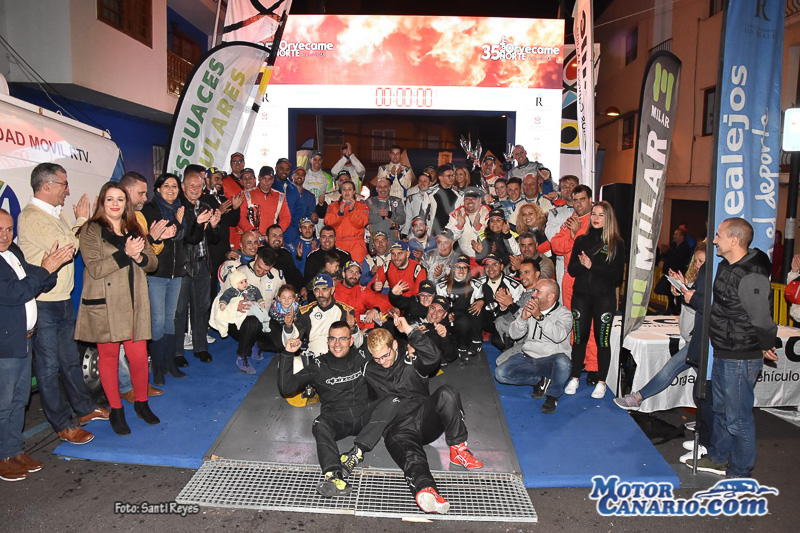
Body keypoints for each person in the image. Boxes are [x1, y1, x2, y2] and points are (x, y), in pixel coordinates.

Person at [16, 163, 109, 445]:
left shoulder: (56, 214)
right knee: (48, 368)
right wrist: (80, 220)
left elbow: (71, 241)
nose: (67, 190)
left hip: (62, 300)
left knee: (69, 361)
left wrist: (76, 223)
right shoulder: (31, 217)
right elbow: (69, 247)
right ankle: (62, 424)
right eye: (63, 184)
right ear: (46, 186)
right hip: (44, 303)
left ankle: (84, 409)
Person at [686, 218, 777, 478]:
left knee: (738, 419)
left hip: (741, 355)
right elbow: (724, 308)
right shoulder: (726, 266)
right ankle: (718, 457)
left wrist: (765, 345)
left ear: (734, 240)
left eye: (718, 236)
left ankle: (740, 472)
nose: (714, 240)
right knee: (721, 411)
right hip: (724, 350)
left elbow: (762, 319)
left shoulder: (751, 275)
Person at [365, 318, 483, 515]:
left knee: (447, 392)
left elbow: (434, 357)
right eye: (377, 359)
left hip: (423, 419)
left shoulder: (411, 359)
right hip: (397, 429)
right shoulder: (369, 369)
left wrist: (411, 332)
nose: (383, 362)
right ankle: (427, 491)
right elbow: (365, 401)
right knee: (413, 458)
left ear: (395, 345)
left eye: (385, 355)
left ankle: (458, 449)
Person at [76, 182, 160, 435]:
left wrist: (139, 257)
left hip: (135, 302)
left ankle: (142, 403)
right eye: (110, 199)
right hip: (107, 304)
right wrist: (125, 253)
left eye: (120, 199)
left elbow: (152, 263)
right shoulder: (90, 229)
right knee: (109, 359)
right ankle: (116, 409)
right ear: (102, 202)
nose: (115, 204)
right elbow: (95, 268)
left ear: (126, 204)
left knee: (139, 358)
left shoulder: (134, 228)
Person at [278, 323, 399, 497]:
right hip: (337, 420)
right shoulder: (319, 365)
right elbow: (286, 388)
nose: (337, 344)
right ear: (327, 341)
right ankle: (333, 475)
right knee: (319, 423)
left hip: (365, 417)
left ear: (351, 341)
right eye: (333, 339)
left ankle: (356, 453)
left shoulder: (363, 356)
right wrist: (287, 353)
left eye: (342, 338)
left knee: (394, 399)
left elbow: (388, 343)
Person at [0, 208, 74, 481]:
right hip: (5, 345)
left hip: (24, 340)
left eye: (9, 229)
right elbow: (15, 292)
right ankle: (3, 457)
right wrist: (45, 270)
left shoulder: (13, 252)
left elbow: (37, 278)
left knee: (20, 400)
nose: (5, 235)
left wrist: (47, 270)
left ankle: (14, 450)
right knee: (4, 404)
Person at [564, 201, 625, 398]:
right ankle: (574, 378)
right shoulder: (581, 240)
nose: (596, 218)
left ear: (608, 218)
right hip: (580, 297)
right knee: (579, 338)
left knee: (602, 340)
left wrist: (592, 266)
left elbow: (616, 275)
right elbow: (572, 269)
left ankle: (602, 382)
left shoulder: (617, 243)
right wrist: (583, 265)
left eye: (601, 215)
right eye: (594, 214)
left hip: (604, 299)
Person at [495, 279, 573, 414]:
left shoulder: (564, 314)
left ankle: (552, 396)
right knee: (500, 374)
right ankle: (540, 381)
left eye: (538, 291)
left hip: (551, 360)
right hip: (529, 357)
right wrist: (522, 319)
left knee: (564, 362)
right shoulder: (530, 307)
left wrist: (539, 317)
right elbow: (513, 335)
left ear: (550, 297)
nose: (533, 294)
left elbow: (558, 336)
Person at [141, 173, 187, 386]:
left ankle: (169, 363)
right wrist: (176, 222)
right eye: (166, 185)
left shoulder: (180, 209)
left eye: (174, 186)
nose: (171, 189)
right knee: (158, 320)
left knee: (170, 318)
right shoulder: (150, 210)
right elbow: (162, 235)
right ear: (158, 189)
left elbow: (184, 237)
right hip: (156, 273)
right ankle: (158, 367)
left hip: (176, 273)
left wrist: (181, 221)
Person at [174, 166, 221, 365]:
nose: (195, 189)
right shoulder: (178, 207)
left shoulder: (205, 206)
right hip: (183, 265)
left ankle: (200, 347)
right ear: (183, 186)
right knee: (179, 311)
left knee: (202, 307)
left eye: (199, 186)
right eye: (191, 185)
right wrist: (199, 223)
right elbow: (187, 238)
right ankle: (177, 352)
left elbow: (214, 239)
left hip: (202, 263)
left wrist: (214, 226)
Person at [214, 246, 286, 374]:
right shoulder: (239, 273)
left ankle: (256, 343)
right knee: (253, 322)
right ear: (256, 257)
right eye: (259, 267)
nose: (261, 272)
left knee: (281, 344)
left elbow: (283, 297)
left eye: (266, 270)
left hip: (264, 318)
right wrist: (235, 305)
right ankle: (242, 357)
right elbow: (221, 298)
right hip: (239, 322)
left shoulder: (277, 276)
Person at [282, 273, 362, 358]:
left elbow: (358, 344)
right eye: (317, 290)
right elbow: (289, 344)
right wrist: (288, 327)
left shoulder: (346, 311)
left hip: (338, 358)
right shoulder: (305, 312)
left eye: (324, 289)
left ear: (332, 290)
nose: (320, 294)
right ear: (313, 291)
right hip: (313, 358)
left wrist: (353, 328)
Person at [469, 253, 525, 353]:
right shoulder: (478, 283)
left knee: (499, 343)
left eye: (495, 264)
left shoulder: (514, 285)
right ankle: (476, 340)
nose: (490, 268)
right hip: (486, 321)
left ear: (502, 267)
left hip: (504, 322)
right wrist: (480, 300)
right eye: (487, 265)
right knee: (473, 307)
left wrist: (507, 304)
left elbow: (518, 312)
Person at [200, 166, 243, 297]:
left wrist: (235, 208)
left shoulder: (223, 199)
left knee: (223, 284)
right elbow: (204, 224)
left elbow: (232, 222)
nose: (219, 182)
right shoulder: (202, 199)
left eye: (221, 179)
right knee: (210, 287)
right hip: (210, 250)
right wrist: (219, 211)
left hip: (224, 249)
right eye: (216, 179)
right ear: (207, 180)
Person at [237, 166, 290, 244]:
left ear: (273, 180)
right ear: (259, 178)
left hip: (271, 241)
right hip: (252, 239)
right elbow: (240, 217)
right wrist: (252, 231)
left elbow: (286, 217)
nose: (267, 181)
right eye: (264, 178)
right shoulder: (246, 195)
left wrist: (275, 234)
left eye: (270, 179)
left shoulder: (280, 196)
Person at [436, 254, 474, 361]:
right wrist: (447, 314)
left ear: (468, 270)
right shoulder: (442, 286)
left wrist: (481, 301)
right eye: (458, 267)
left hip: (464, 314)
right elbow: (439, 306)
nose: (461, 270)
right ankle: (442, 351)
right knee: (440, 322)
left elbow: (475, 304)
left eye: (464, 267)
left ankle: (463, 347)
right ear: (452, 269)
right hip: (445, 314)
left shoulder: (474, 285)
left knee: (464, 322)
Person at [335, 261, 392, 330]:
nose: (354, 275)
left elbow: (386, 302)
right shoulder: (333, 290)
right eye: (350, 272)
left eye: (357, 273)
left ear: (360, 276)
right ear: (343, 274)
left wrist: (376, 310)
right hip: (335, 328)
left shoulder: (362, 291)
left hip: (357, 330)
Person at [545, 175, 579, 286]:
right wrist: (568, 224)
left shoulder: (588, 210)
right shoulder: (555, 213)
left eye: (572, 185)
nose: (568, 189)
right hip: (562, 262)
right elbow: (551, 236)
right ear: (561, 191)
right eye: (564, 187)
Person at [324, 180, 370, 263]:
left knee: (357, 268)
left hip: (356, 245)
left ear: (354, 192)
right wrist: (340, 213)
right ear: (341, 192)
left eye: (349, 189)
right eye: (344, 189)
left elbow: (361, 223)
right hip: (338, 244)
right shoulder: (333, 206)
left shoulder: (362, 206)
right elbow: (328, 223)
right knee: (338, 269)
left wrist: (351, 210)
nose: (347, 192)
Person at [446, 186, 491, 264]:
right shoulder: (457, 213)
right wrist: (459, 227)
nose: (470, 201)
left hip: (485, 258)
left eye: (473, 198)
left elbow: (490, 237)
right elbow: (448, 239)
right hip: (465, 259)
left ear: (480, 200)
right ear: (463, 201)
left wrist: (478, 228)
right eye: (467, 199)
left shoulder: (488, 212)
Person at [265, 224, 305, 300]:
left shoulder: (285, 253)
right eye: (274, 235)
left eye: (280, 236)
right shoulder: (261, 253)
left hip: (285, 295)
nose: (277, 239)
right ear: (266, 238)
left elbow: (294, 273)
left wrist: (303, 287)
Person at [366, 176, 405, 244]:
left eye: (385, 187)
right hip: (375, 241)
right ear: (376, 189)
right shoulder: (369, 202)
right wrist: (382, 216)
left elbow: (402, 220)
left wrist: (389, 214)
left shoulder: (397, 201)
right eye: (380, 187)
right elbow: (366, 219)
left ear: (389, 188)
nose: (383, 189)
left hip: (392, 240)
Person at [401, 170, 436, 237]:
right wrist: (405, 232)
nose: (422, 183)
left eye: (425, 181)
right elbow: (408, 217)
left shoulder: (435, 199)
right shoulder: (411, 199)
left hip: (430, 233)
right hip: (414, 234)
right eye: (420, 181)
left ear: (430, 183)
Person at [431, 164, 462, 234]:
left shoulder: (458, 195)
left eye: (452, 175)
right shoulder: (431, 194)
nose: (451, 178)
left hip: (452, 232)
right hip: (434, 231)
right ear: (440, 177)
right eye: (448, 176)